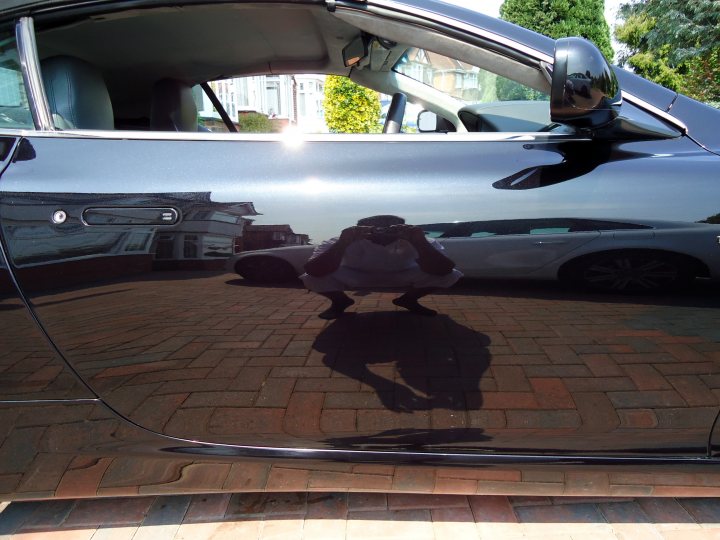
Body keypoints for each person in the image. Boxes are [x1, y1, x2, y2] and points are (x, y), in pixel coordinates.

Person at [301, 215, 462, 319]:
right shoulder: (338, 240)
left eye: (391, 229)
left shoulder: (418, 239)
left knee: (451, 275)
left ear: (402, 229)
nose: (382, 233)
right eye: (374, 229)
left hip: (402, 274)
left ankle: (408, 300)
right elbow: (314, 270)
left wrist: (419, 242)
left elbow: (444, 270)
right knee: (311, 278)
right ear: (358, 230)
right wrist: (343, 243)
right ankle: (340, 302)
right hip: (357, 275)